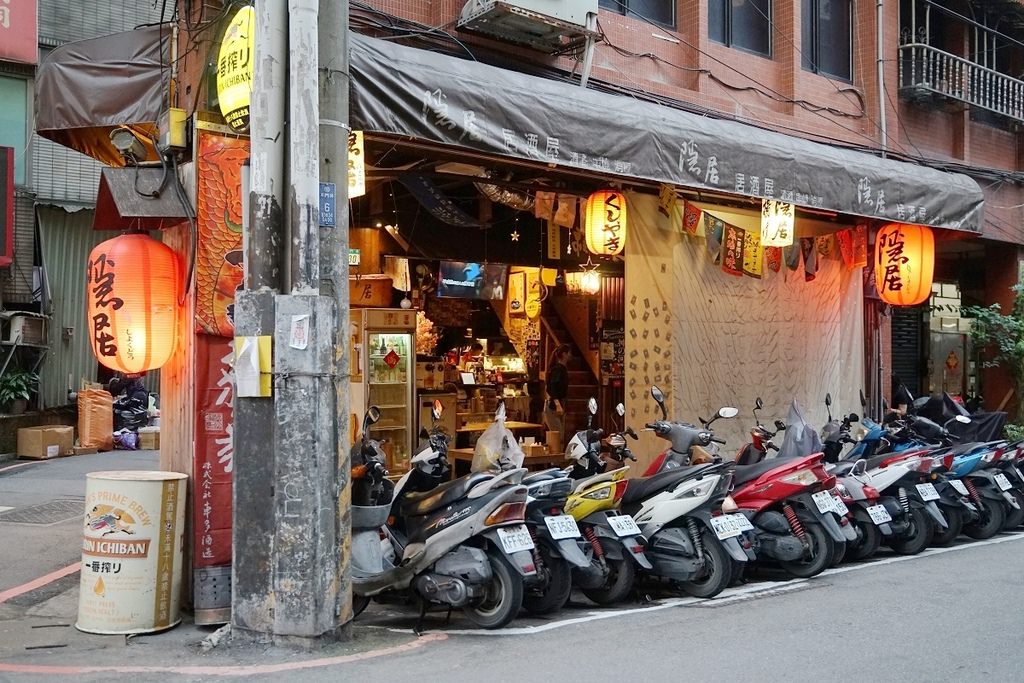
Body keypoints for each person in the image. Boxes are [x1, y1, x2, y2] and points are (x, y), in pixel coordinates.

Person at [543, 344, 571, 451]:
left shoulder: (560, 369)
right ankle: (555, 460)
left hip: (557, 404)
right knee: (557, 436)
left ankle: (557, 460)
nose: (570, 355)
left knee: (559, 435)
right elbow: (552, 387)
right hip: (553, 406)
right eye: (568, 353)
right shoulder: (558, 369)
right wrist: (558, 404)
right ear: (564, 354)